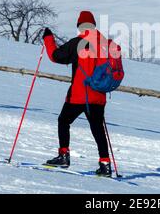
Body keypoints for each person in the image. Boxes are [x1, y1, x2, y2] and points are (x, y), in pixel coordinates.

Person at [42, 11, 112, 177]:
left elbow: (55, 56)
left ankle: (64, 156)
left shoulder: (78, 43)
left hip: (79, 95)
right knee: (98, 129)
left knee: (63, 120)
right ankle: (105, 165)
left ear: (80, 26)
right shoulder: (105, 44)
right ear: (94, 25)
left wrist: (48, 39)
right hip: (99, 95)